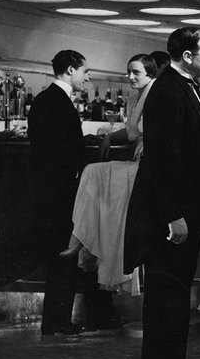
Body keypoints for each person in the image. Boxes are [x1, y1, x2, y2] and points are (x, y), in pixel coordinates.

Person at [125, 27, 200, 359]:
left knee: (176, 295)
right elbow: (163, 158)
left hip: (186, 209)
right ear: (187, 56)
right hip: (171, 215)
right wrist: (173, 215)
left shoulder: (185, 86)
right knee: (165, 297)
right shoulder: (168, 90)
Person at [28, 50, 117, 335]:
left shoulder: (46, 100)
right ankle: (57, 321)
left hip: (49, 188)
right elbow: (64, 150)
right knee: (63, 254)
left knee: (61, 254)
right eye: (84, 71)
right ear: (69, 70)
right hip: (61, 190)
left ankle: (56, 320)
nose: (88, 76)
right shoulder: (58, 102)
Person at [61, 54, 156, 296]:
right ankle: (81, 238)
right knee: (96, 179)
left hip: (148, 168)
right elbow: (133, 132)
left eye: (137, 72)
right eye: (129, 72)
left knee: (93, 172)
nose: (131, 77)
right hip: (138, 163)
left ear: (150, 74)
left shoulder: (155, 95)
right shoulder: (137, 96)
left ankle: (80, 239)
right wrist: (109, 137)